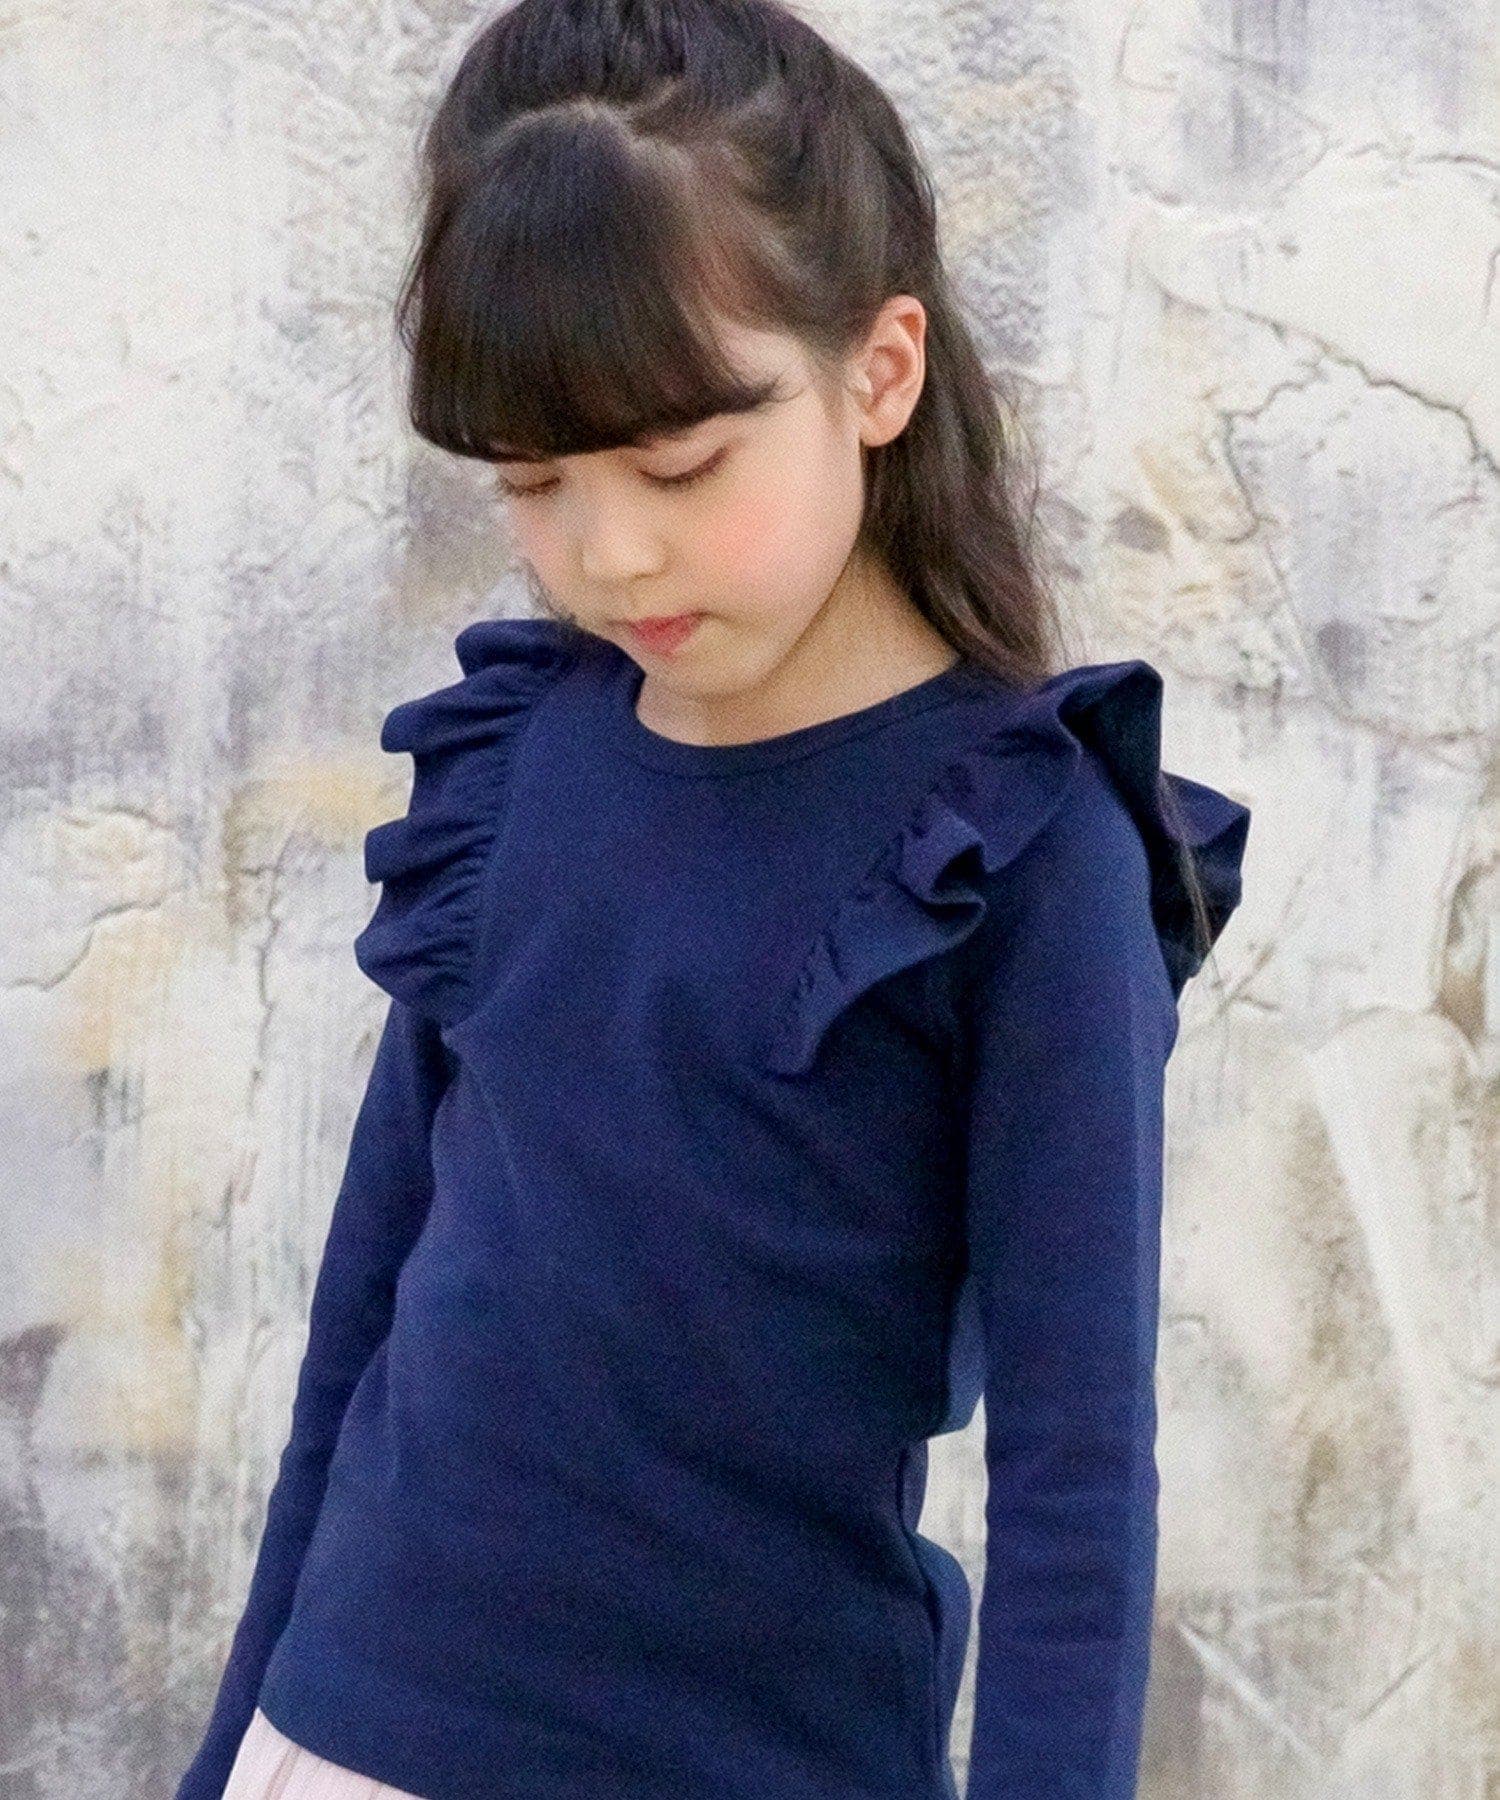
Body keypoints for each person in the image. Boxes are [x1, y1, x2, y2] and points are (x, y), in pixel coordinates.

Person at [174, 0, 1253, 1795]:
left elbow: (1078, 1486)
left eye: (681, 465)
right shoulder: (516, 765)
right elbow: (359, 1332)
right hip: (349, 1737)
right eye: (535, 480)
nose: (610, 552)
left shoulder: (1021, 844)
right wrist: (231, 1754)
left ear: (879, 373)